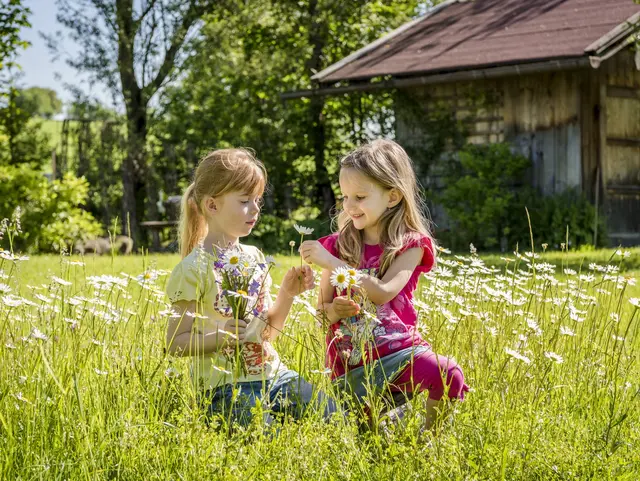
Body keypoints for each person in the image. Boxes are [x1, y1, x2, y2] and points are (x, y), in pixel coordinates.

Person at [299, 139, 468, 430]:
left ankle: (429, 439)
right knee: (374, 441)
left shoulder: (410, 245)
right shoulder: (338, 246)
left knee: (448, 373)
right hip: (352, 367)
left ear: (392, 197)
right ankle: (389, 416)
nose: (350, 206)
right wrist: (336, 312)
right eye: (345, 197)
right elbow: (321, 315)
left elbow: (383, 292)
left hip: (400, 354)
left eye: (360, 197)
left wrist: (332, 264)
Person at [165, 148, 336, 427]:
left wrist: (287, 294)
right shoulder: (192, 270)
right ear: (212, 205)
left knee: (333, 416)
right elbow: (175, 343)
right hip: (223, 386)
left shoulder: (255, 257)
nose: (255, 209)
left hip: (273, 375)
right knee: (265, 438)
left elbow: (267, 333)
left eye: (257, 200)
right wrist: (220, 336)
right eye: (245, 201)